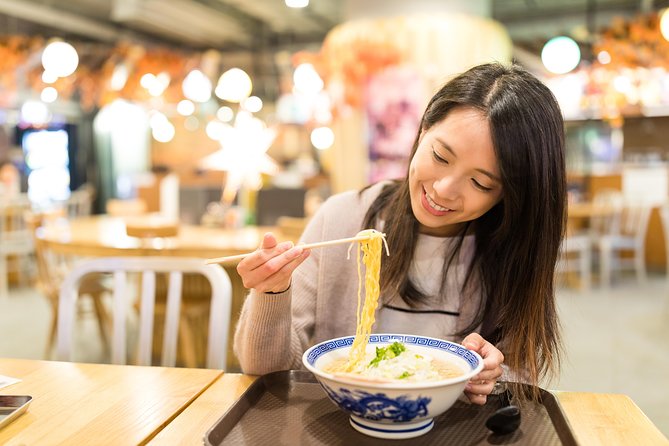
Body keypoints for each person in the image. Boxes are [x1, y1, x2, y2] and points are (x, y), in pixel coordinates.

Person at [234, 62, 566, 405]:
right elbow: (266, 371)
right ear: (422, 132)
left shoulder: (512, 248)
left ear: (509, 194)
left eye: (481, 183)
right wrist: (271, 292)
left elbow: (520, 379)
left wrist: (492, 376)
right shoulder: (344, 219)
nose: (443, 189)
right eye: (440, 156)